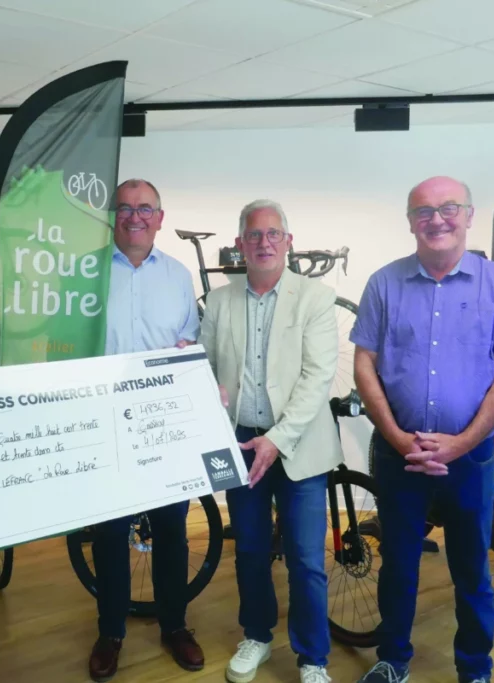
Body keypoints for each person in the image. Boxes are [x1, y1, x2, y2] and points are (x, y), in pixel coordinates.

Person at [350, 176, 494, 683]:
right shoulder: (384, 283)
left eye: (449, 208)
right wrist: (396, 436)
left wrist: (462, 442)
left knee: (471, 569)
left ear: (469, 215)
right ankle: (393, 660)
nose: (437, 220)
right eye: (423, 211)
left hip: (469, 457)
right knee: (398, 564)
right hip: (399, 455)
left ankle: (474, 668)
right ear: (410, 222)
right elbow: (364, 365)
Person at [199, 199, 342, 683]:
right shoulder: (219, 301)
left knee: (306, 559)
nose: (264, 243)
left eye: (273, 234)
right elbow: (205, 366)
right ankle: (257, 636)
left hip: (300, 442)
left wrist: (277, 439)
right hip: (240, 442)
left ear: (288, 242)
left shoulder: (315, 297)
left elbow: (317, 377)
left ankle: (313, 658)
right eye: (254, 235)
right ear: (240, 244)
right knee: (251, 549)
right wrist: (203, 382)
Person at [87, 178, 203, 682]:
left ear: (160, 218)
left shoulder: (178, 276)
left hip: (162, 422)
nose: (135, 216)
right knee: (110, 533)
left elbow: (189, 340)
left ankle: (174, 624)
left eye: (145, 208)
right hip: (104, 420)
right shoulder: (86, 274)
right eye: (125, 207)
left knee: (171, 529)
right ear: (112, 215)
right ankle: (110, 631)